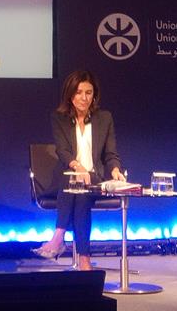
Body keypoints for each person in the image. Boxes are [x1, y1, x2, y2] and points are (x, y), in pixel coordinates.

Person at [33, 70, 126, 271]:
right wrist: (78, 167)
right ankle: (84, 258)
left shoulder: (104, 118)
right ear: (70, 94)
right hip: (68, 179)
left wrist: (115, 169)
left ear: (94, 95)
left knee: (82, 187)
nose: (84, 98)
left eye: (88, 93)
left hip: (94, 179)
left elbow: (110, 153)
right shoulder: (59, 118)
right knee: (77, 188)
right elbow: (63, 151)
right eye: (79, 92)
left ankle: (58, 237)